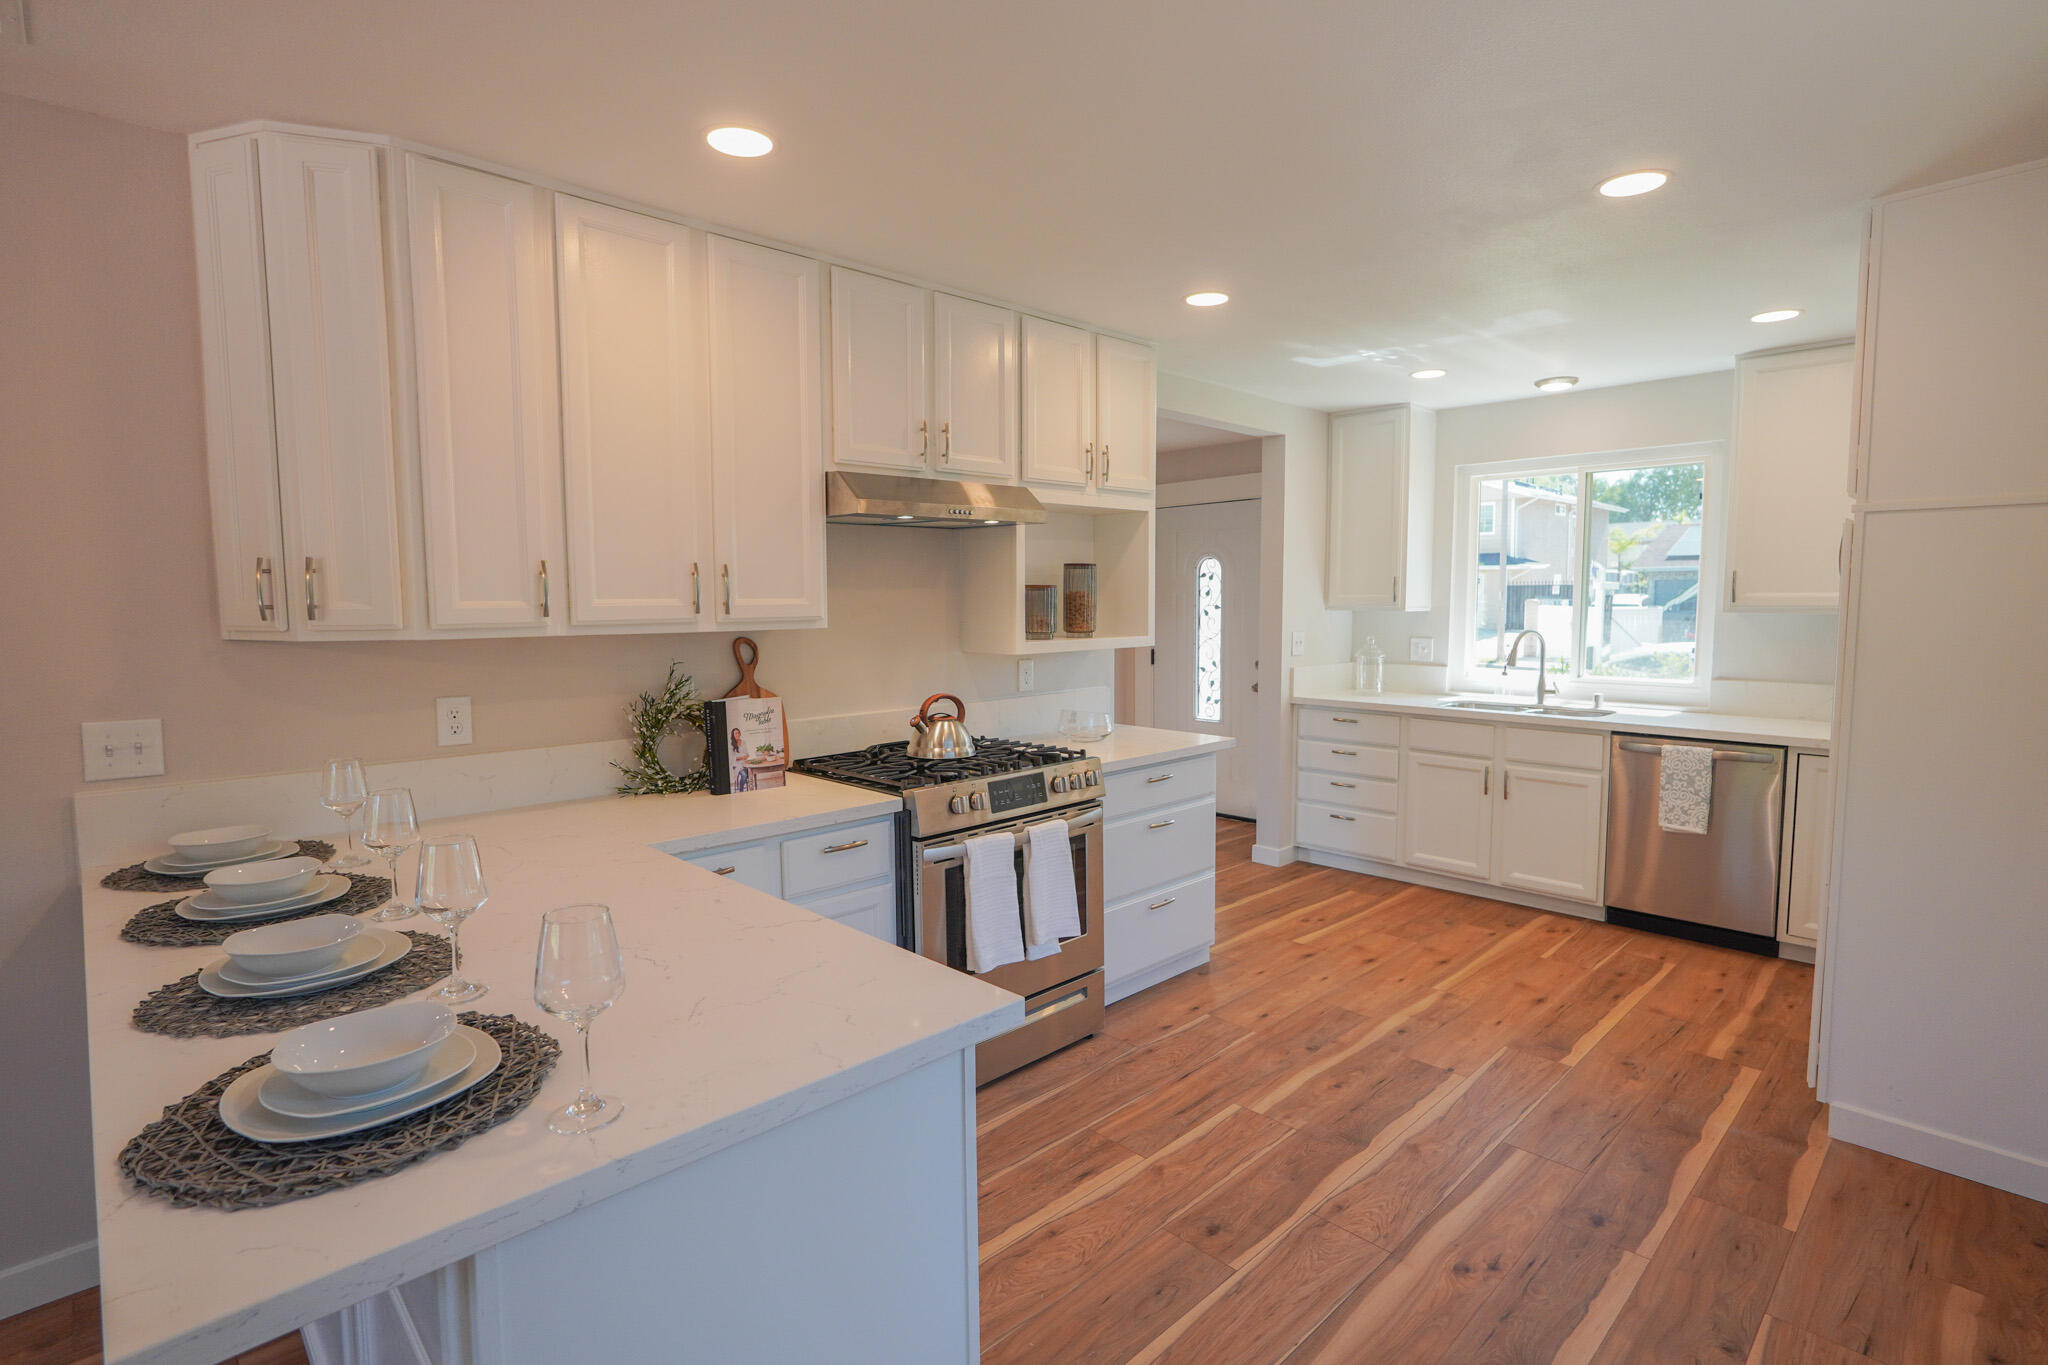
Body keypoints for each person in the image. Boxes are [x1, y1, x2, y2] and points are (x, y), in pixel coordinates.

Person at [729, 726, 752, 791]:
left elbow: (746, 752)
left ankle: (749, 788)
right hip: (736, 765)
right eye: (735, 733)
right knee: (744, 775)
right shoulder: (731, 744)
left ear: (740, 733)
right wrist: (742, 757)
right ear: (733, 735)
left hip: (744, 763)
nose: (737, 734)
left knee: (750, 772)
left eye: (738, 733)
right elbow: (732, 757)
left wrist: (747, 755)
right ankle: (741, 790)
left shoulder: (743, 742)